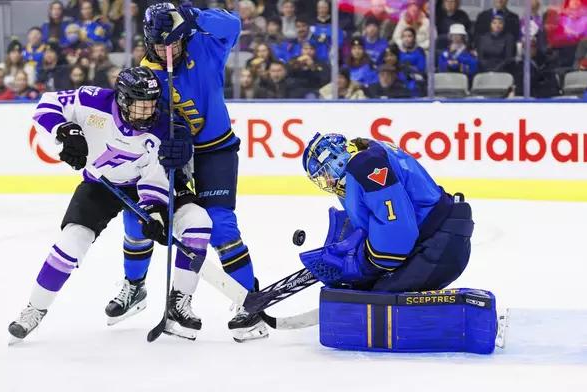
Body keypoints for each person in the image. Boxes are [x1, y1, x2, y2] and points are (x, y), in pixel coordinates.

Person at [7, 66, 211, 344]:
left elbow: (155, 176)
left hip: (141, 185)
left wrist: (155, 211)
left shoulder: (163, 127)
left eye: (151, 105)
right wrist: (65, 131)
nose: (146, 113)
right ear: (123, 100)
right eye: (139, 106)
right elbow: (47, 104)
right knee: (71, 241)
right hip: (98, 184)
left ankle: (179, 303)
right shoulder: (92, 101)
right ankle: (34, 309)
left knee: (197, 222)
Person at [137, 1, 269, 343]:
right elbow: (148, 121)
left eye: (175, 42)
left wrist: (194, 16)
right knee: (176, 226)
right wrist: (172, 134)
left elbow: (233, 25)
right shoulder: (146, 73)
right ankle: (176, 300)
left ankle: (248, 301)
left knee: (222, 226)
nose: (170, 50)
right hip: (180, 160)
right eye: (162, 44)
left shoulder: (203, 43)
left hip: (217, 151)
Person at [299, 132, 474, 292]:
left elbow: (398, 234)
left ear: (338, 158)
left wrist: (363, 262)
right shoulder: (362, 162)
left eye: (325, 172)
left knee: (376, 301)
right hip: (436, 239)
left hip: (441, 243)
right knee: (361, 289)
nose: (327, 181)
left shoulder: (365, 166)